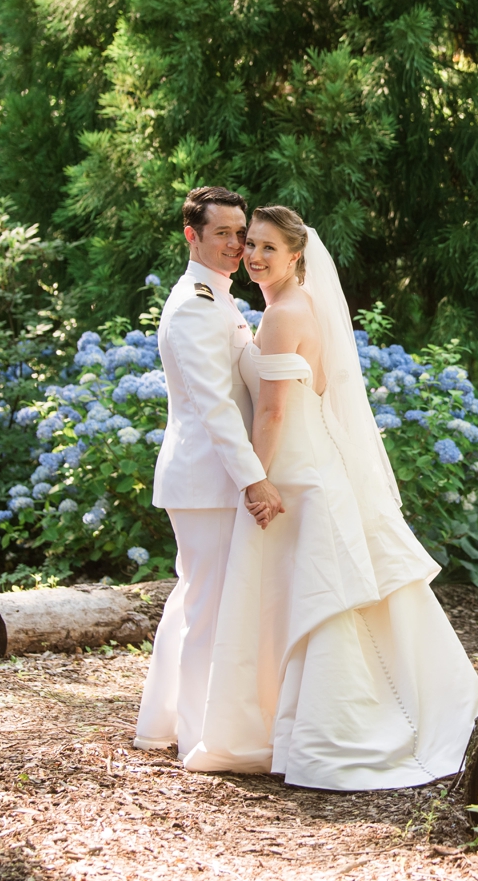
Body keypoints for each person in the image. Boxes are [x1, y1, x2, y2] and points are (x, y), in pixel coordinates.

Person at [181, 205, 478, 788]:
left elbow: (271, 411)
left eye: (269, 248)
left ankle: (334, 732)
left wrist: (257, 479)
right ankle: (398, 709)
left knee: (317, 595)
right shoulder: (302, 306)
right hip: (318, 461)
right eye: (251, 246)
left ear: (297, 255)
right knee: (331, 594)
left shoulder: (279, 317)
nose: (254, 256)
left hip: (296, 472)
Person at [133, 186, 284, 755]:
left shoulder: (217, 298)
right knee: (206, 609)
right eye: (222, 233)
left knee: (194, 600)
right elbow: (214, 405)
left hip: (208, 478)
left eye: (240, 233)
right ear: (191, 235)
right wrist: (255, 478)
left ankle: (162, 725)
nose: (235, 244)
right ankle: (199, 737)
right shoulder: (196, 305)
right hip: (206, 480)